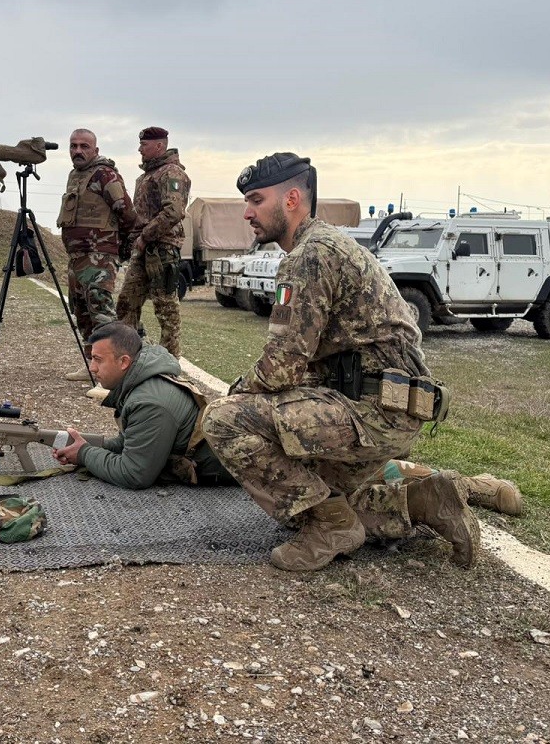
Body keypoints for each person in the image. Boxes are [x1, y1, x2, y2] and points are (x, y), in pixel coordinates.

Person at [201, 152, 483, 572]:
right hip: (393, 409)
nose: (247, 213)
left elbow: (281, 367)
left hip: (369, 412)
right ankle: (427, 501)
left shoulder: (308, 257)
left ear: (291, 198)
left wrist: (236, 393)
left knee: (224, 419)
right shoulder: (332, 244)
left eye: (256, 201)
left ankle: (331, 528)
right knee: (327, 494)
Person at [52, 322, 234, 488]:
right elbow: (130, 440)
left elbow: (134, 474)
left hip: (234, 473)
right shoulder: (142, 381)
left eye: (98, 359)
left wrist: (84, 454)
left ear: (124, 362)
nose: (92, 368)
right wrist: (87, 447)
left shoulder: (148, 402)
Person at [56, 128, 138, 382]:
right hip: (77, 257)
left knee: (102, 314)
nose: (78, 151)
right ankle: (93, 364)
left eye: (84, 146)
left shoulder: (106, 175)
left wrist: (118, 249)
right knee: (81, 312)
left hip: (99, 256)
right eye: (73, 146)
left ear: (95, 150)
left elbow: (127, 213)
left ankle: (114, 374)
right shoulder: (74, 176)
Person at [116, 126, 191, 358]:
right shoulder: (146, 176)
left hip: (163, 249)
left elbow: (174, 211)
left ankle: (170, 363)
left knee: (166, 309)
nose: (140, 149)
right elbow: (141, 217)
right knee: (127, 303)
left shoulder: (171, 173)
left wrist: (145, 236)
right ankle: (128, 356)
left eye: (144, 145)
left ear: (159, 146)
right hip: (143, 248)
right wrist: (130, 242)